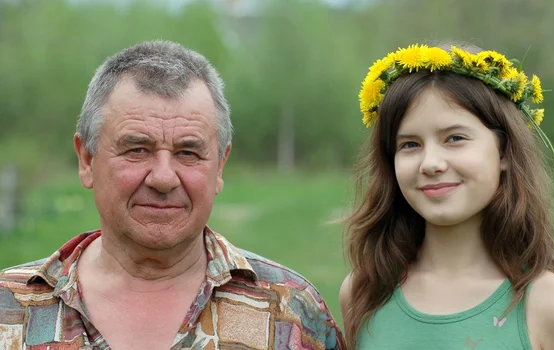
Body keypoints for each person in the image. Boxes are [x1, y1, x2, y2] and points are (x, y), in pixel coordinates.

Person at [0, 40, 344, 350]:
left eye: (188, 153)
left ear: (220, 166)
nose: (164, 178)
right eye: (137, 149)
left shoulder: (291, 312)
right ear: (87, 159)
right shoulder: (10, 307)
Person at [339, 42, 554, 349]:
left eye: (455, 138)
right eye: (410, 144)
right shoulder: (364, 292)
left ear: (503, 151)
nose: (431, 163)